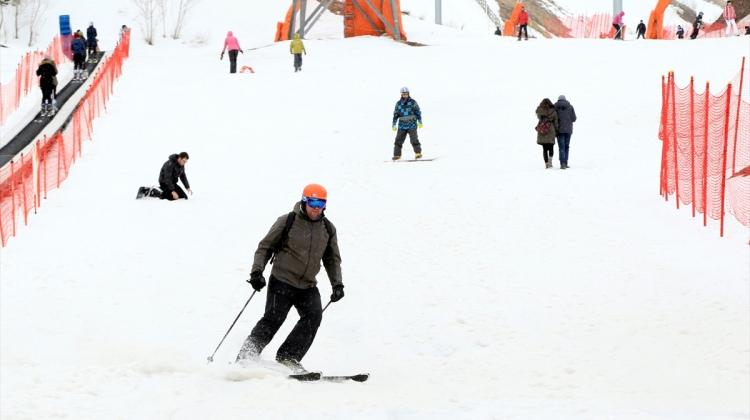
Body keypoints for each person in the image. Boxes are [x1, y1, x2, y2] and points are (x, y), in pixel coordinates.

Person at [236, 183, 344, 371]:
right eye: (313, 202)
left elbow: (332, 259)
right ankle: (247, 355)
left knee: (314, 316)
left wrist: (338, 284)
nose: (316, 207)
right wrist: (256, 272)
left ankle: (289, 356)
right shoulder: (288, 221)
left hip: (308, 285)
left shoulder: (327, 228)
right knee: (274, 318)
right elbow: (265, 247)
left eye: (321, 203)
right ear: (304, 200)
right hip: (282, 280)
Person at [391, 87, 423, 160]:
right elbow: (395, 114)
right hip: (402, 126)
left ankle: (418, 153)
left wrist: (420, 121)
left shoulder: (413, 102)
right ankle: (397, 155)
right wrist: (394, 124)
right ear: (401, 94)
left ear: (408, 94)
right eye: (403, 94)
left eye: (406, 94)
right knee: (398, 140)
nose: (405, 95)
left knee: (414, 140)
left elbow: (418, 112)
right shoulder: (398, 104)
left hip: (412, 125)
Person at [554, 95, 577, 170]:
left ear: (558, 100)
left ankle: (562, 163)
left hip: (559, 130)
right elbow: (574, 118)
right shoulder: (570, 107)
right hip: (568, 130)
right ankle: (566, 162)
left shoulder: (555, 107)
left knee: (561, 147)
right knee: (566, 146)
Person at [536, 98, 559, 169]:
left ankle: (546, 163)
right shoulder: (553, 111)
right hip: (551, 130)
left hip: (542, 129)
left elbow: (539, 118)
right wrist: (556, 130)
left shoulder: (539, 110)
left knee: (544, 149)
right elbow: (556, 122)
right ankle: (550, 162)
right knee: (551, 146)